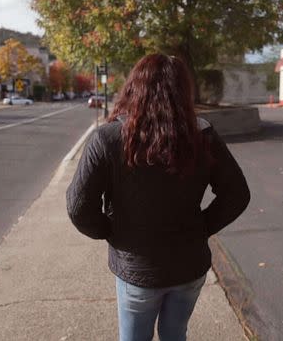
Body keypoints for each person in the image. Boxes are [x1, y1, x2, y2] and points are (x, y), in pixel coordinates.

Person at [66, 54, 250, 341]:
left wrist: (112, 232)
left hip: (138, 269)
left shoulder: (108, 138)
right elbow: (237, 194)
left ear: (133, 88)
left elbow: (79, 207)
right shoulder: (203, 135)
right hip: (189, 266)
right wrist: (200, 228)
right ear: (183, 91)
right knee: (175, 334)